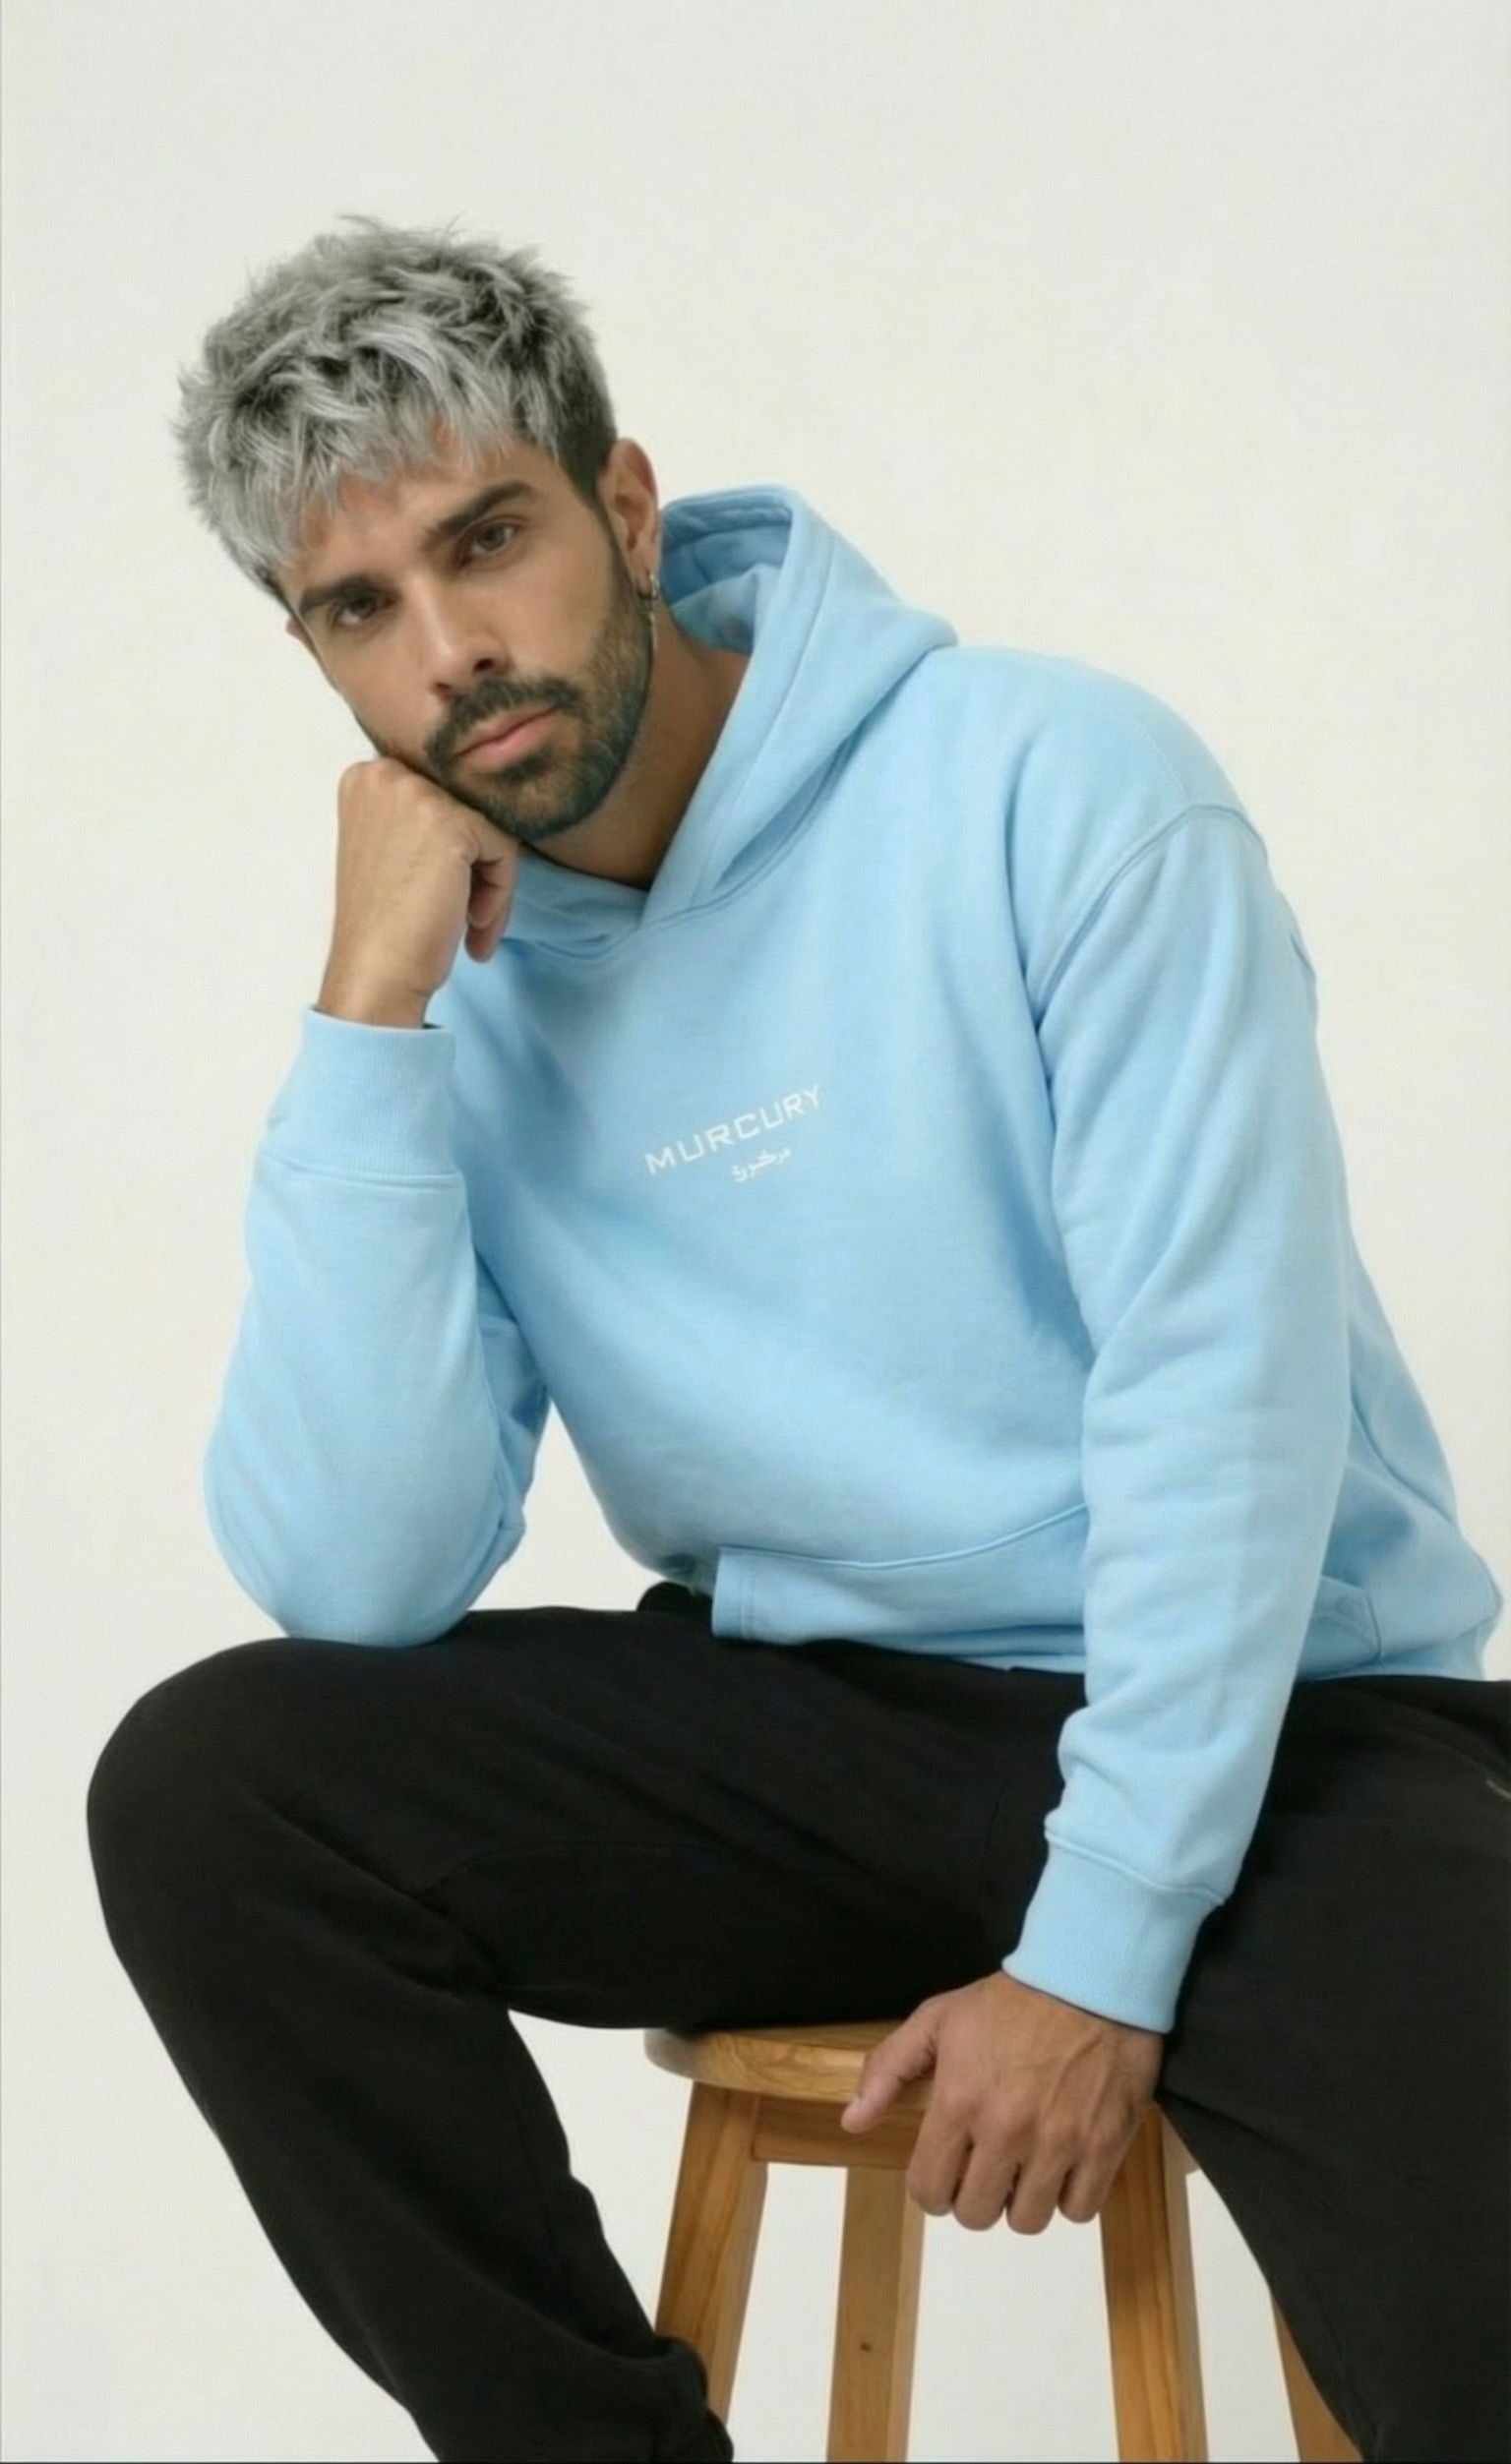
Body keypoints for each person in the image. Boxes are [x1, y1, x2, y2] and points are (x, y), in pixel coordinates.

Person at [87, 210, 1509, 2464]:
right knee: (213, 1794)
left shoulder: (1060, 782)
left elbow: (1217, 1398)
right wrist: (367, 1023)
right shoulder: (452, 981)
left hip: (1278, 1723)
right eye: (361, 608)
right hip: (823, 1725)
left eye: (490, 540)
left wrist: (1100, 1942)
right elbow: (359, 1577)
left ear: (627, 506)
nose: (453, 652)